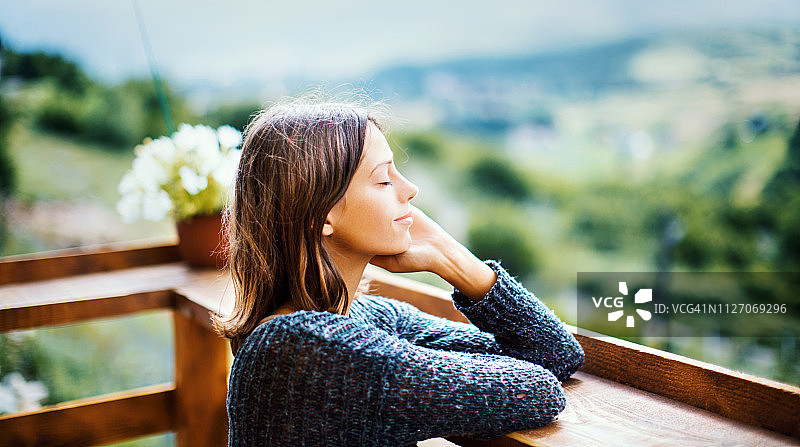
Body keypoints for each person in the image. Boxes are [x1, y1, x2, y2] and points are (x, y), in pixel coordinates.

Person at [213, 97, 584, 447]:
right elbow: (537, 390)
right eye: (384, 179)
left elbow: (555, 355)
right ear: (321, 215)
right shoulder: (301, 349)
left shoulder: (367, 318)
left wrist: (451, 258)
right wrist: (449, 253)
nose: (410, 189)